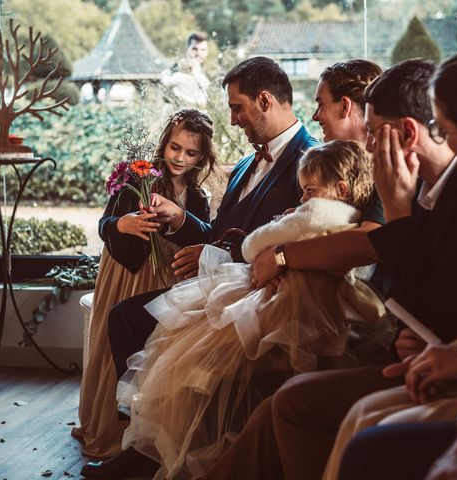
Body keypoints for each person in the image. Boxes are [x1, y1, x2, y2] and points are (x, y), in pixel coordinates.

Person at [203, 59, 457, 480]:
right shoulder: (422, 183)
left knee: (294, 400)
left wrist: (400, 215)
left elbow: (433, 310)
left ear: (405, 132)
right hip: (412, 347)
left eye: (373, 133)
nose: (368, 146)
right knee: (275, 405)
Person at [81, 56, 319, 479]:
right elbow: (220, 230)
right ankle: (145, 439)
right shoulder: (247, 163)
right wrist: (181, 221)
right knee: (124, 319)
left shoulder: (310, 159)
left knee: (135, 323)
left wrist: (219, 257)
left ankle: (155, 449)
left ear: (264, 100)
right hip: (214, 280)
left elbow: (294, 240)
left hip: (255, 295)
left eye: (237, 107)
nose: (233, 119)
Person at [116, 141, 392, 479]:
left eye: (308, 191)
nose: (303, 199)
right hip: (328, 316)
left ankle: (178, 448)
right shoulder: (349, 215)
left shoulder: (318, 211)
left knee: (191, 360)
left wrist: (282, 227)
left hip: (281, 307)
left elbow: (253, 246)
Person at [330, 30, 457, 480]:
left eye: (446, 129)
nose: (440, 139)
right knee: (362, 420)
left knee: (370, 441)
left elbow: (445, 307)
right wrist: (453, 352)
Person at [72, 108, 216, 459]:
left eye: (191, 152)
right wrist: (123, 225)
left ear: (202, 156)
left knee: (157, 350)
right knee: (120, 345)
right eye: (175, 148)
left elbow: (205, 235)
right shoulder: (140, 178)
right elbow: (105, 224)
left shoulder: (197, 196)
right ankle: (116, 426)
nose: (180, 158)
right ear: (164, 144)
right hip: (127, 273)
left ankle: (152, 431)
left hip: (167, 274)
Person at [251, 59, 384, 291]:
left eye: (320, 104)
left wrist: (281, 256)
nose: (314, 116)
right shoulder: (331, 166)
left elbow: (368, 242)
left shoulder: (383, 166)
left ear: (345, 106)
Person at [161, 32, 211, 105]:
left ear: (207, 52)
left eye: (202, 50)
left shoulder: (205, 71)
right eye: (194, 49)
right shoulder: (179, 68)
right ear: (188, 49)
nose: (198, 53)